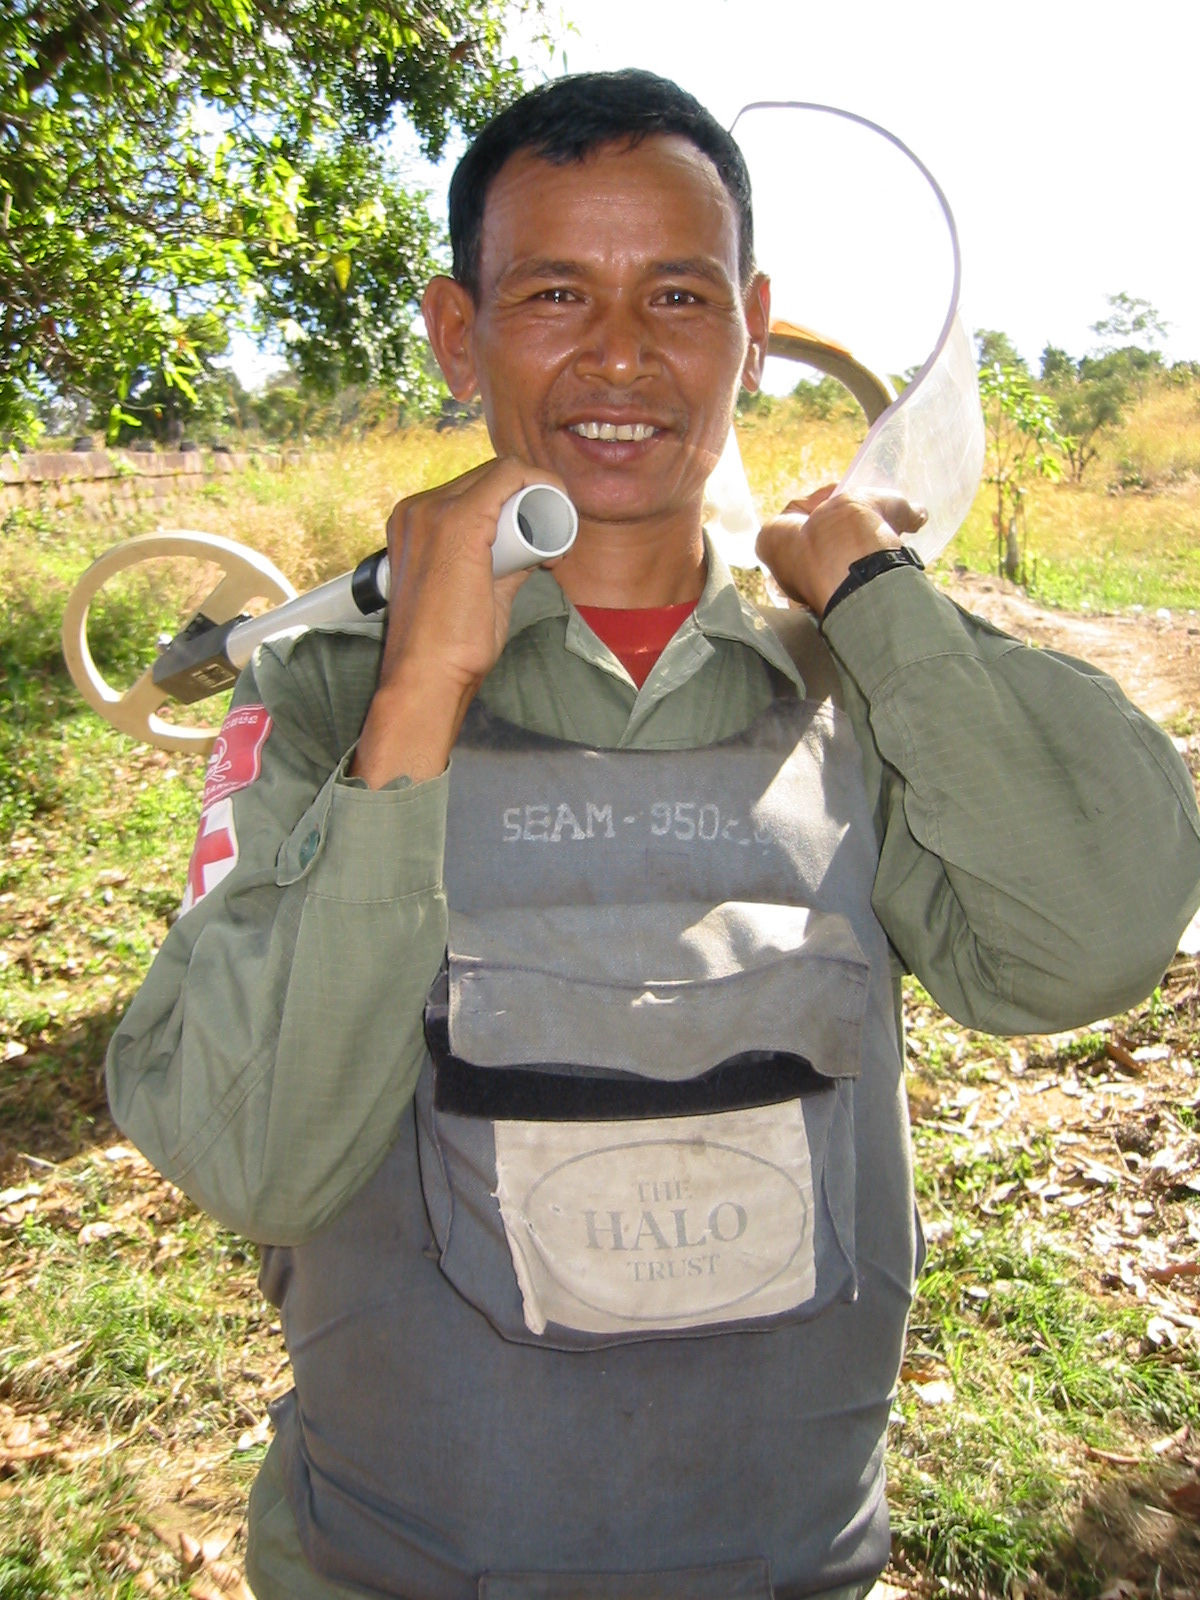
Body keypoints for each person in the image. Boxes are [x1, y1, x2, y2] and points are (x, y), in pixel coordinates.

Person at [107, 70, 1200, 1600]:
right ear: (458, 333)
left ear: (752, 326)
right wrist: (420, 689)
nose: (621, 352)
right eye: (555, 292)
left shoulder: (856, 675)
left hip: (787, 1566)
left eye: (678, 296)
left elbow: (1086, 947)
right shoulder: (324, 690)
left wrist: (878, 599)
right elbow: (256, 1160)